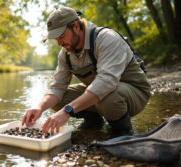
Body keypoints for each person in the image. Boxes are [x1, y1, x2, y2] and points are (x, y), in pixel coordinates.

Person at [21, 7, 151, 137]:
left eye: (61, 36)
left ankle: (122, 131)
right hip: (102, 93)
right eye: (55, 39)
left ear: (76, 26)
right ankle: (95, 121)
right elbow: (57, 87)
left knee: (107, 96)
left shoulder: (106, 38)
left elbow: (106, 83)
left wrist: (67, 111)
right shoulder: (65, 54)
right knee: (59, 101)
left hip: (135, 93)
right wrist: (39, 108)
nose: (59, 43)